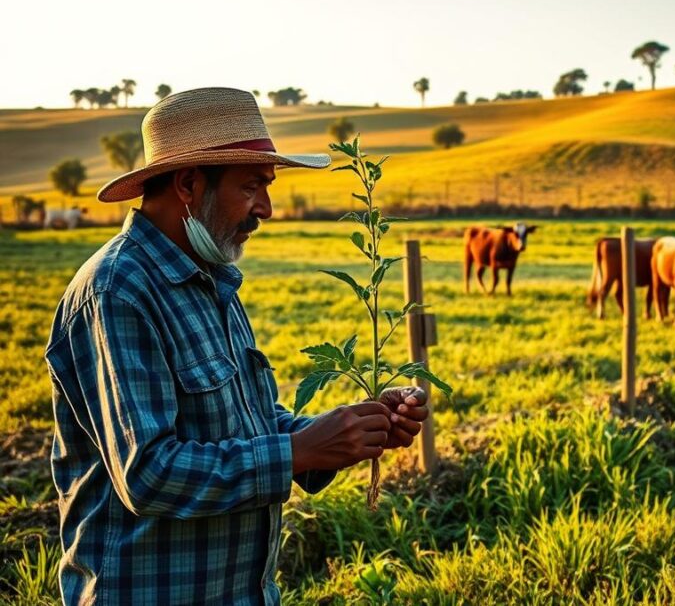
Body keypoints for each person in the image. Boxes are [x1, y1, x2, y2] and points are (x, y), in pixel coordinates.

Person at [44, 87, 430, 604]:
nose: (266, 208)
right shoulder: (118, 291)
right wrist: (297, 450)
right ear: (188, 183)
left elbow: (251, 423)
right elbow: (148, 474)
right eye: (252, 186)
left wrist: (348, 432)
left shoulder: (214, 280)